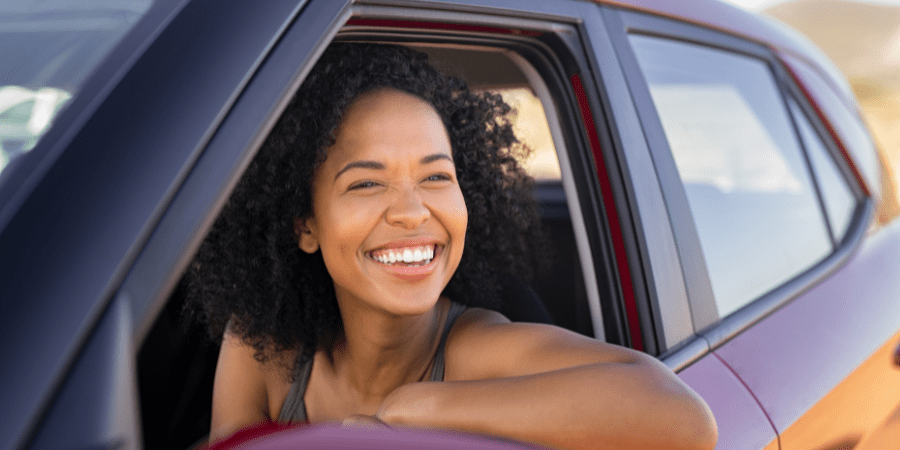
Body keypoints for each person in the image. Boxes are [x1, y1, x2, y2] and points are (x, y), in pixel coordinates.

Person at [187, 43, 717, 450]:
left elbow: (684, 416)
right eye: (366, 183)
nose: (413, 211)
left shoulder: (474, 348)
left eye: (436, 177)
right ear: (305, 225)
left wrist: (417, 410)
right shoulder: (263, 348)